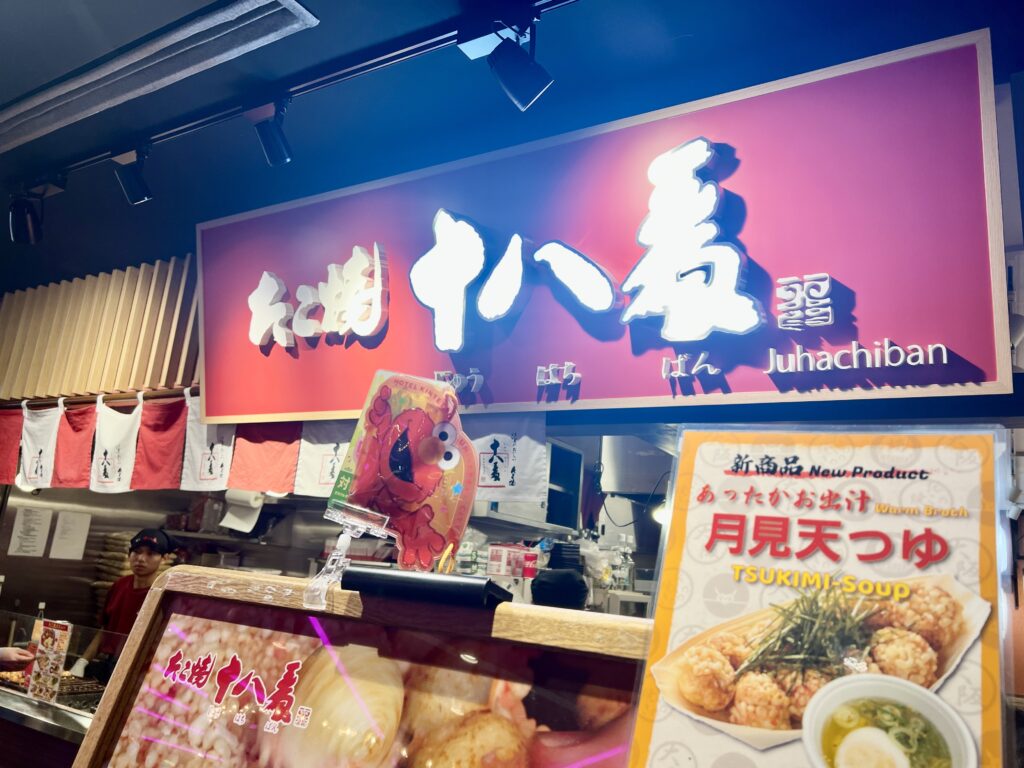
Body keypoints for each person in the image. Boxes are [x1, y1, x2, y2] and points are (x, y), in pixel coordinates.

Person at [70, 528, 172, 680]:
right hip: (110, 662)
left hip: (141, 668)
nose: (141, 559)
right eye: (137, 552)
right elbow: (106, 629)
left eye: (150, 554)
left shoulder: (164, 594)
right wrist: (83, 660)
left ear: (164, 559)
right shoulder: (120, 585)